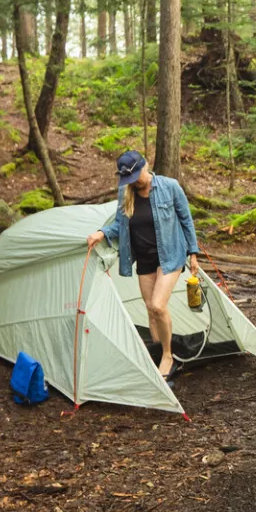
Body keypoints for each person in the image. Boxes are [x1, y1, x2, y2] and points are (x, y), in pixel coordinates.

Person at [87, 150, 203, 380]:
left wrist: (193, 253)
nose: (132, 182)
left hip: (170, 255)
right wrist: (101, 232)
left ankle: (169, 357)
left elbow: (186, 220)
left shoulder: (170, 187)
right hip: (144, 258)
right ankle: (159, 353)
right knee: (150, 309)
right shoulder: (126, 192)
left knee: (159, 305)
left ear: (144, 167)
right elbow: (120, 224)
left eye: (134, 177)